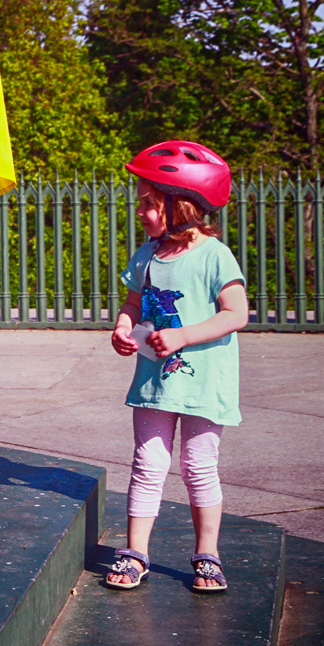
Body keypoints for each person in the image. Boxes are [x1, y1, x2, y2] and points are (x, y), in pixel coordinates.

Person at [103, 141, 248, 593]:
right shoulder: (146, 254)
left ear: (181, 205)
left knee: (197, 466)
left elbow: (236, 313)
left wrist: (183, 336)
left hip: (205, 383)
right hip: (153, 383)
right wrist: (123, 327)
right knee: (147, 463)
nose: (141, 211)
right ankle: (135, 552)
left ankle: (208, 554)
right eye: (142, 202)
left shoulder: (213, 255)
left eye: (149, 203)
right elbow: (132, 301)